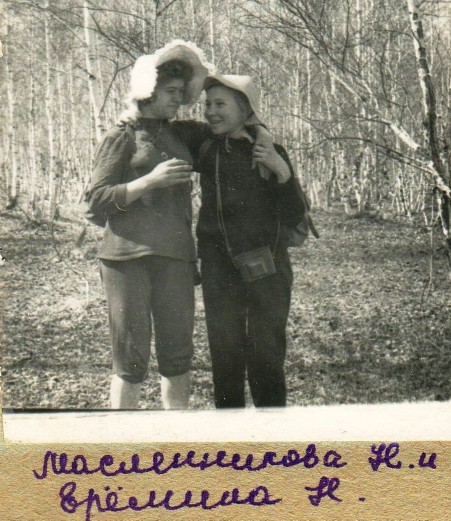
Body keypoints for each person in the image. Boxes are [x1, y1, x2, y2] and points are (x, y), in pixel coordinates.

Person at [86, 40, 213, 409]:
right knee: (130, 360)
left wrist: (262, 135)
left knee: (178, 356)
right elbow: (96, 202)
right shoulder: (121, 135)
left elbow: (230, 123)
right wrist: (148, 182)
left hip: (175, 257)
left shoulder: (182, 134)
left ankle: (175, 439)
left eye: (181, 90)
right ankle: (124, 441)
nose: (179, 98)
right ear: (148, 91)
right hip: (127, 260)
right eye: (171, 91)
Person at [196, 74, 307, 408]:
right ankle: (231, 437)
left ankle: (271, 435)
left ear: (245, 109)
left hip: (267, 270)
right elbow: (163, 126)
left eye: (220, 104)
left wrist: (280, 170)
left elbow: (294, 214)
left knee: (266, 360)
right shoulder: (206, 147)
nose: (211, 112)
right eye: (208, 104)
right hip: (219, 271)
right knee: (225, 361)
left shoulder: (269, 151)